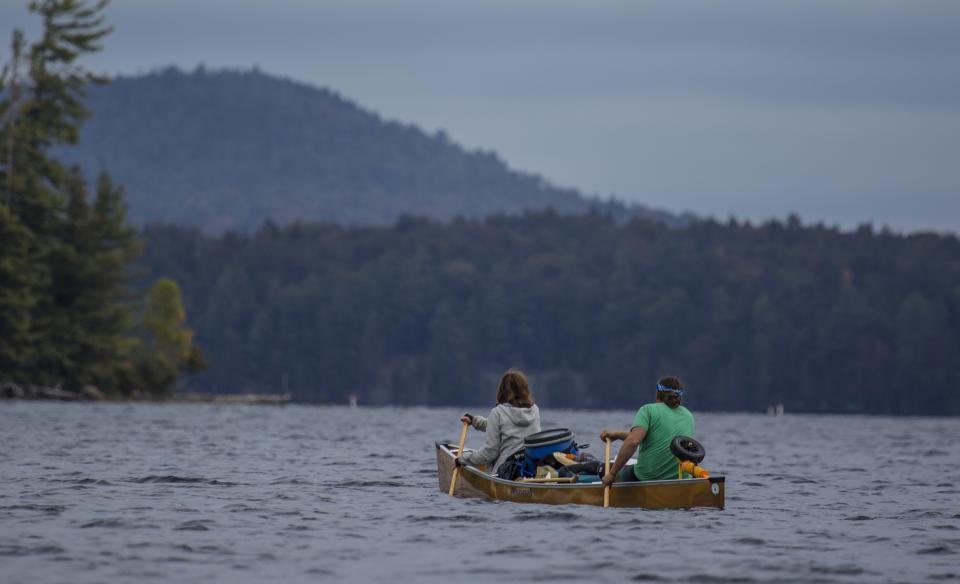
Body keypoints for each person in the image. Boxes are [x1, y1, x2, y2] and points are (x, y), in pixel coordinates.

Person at [600, 375, 694, 487]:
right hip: (681, 477)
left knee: (605, 469)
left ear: (658, 393)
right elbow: (655, 437)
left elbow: (633, 442)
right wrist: (617, 435)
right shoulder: (688, 415)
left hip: (648, 477)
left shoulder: (648, 410)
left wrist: (612, 473)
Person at [456, 369, 541, 475]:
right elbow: (501, 426)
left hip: (504, 473)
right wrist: (474, 421)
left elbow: (489, 454)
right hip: (531, 470)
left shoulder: (498, 412)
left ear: (502, 390)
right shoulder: (534, 410)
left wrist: (463, 459)